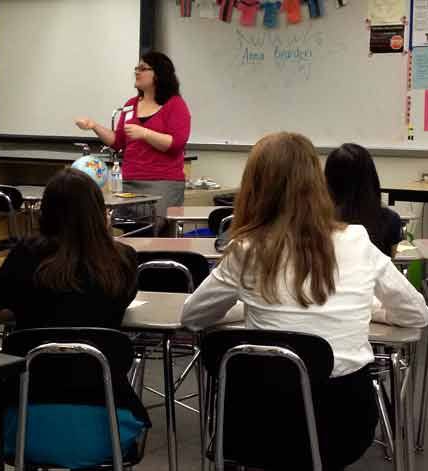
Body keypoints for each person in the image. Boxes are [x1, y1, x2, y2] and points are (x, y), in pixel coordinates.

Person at [181, 132, 428, 470]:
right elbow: (417, 314)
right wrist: (366, 307)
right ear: (317, 182)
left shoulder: (245, 250)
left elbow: (192, 316)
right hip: (343, 424)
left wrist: (246, 307)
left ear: (253, 188)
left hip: (257, 423)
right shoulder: (356, 240)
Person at [0, 168, 148, 469]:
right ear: (100, 213)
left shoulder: (24, 256)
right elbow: (115, 305)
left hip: (23, 424)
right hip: (108, 426)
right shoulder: (123, 259)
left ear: (45, 212)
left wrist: (20, 309)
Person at [75, 51, 191, 230]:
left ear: (159, 74)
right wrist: (94, 126)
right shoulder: (131, 104)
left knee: (152, 231)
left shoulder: (175, 104)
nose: (137, 72)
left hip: (162, 183)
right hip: (130, 182)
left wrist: (145, 133)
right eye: (137, 68)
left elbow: (176, 144)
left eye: (143, 68)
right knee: (125, 230)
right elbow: (118, 141)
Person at [325, 143, 403, 258]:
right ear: (371, 178)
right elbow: (392, 262)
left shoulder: (317, 221)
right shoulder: (390, 220)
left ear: (328, 181)